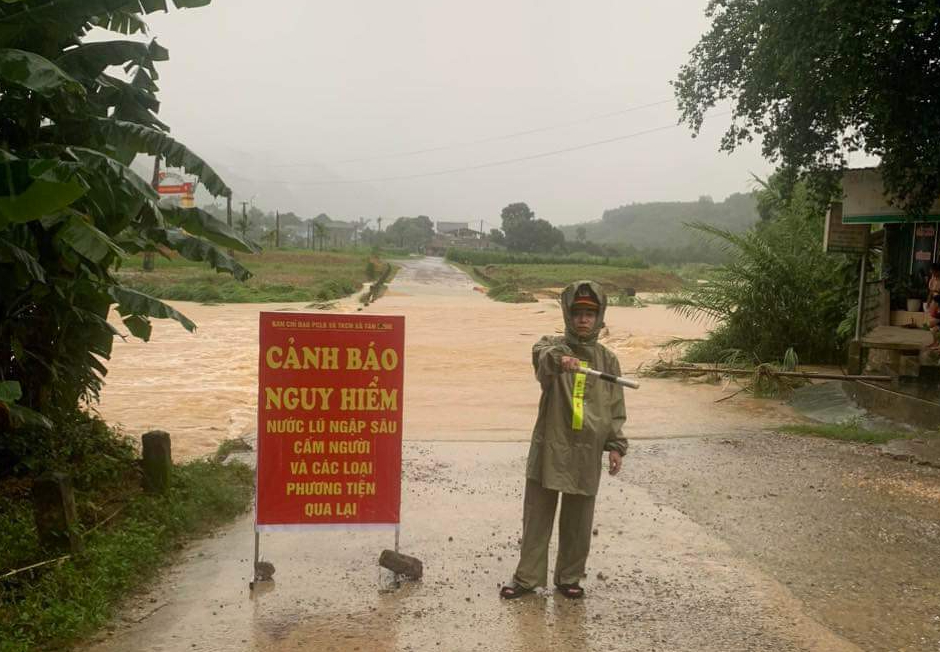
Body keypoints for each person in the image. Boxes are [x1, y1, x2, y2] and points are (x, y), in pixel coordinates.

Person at [500, 280, 629, 600]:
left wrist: (615, 446)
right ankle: (527, 578)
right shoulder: (551, 347)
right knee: (537, 514)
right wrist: (561, 360)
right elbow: (542, 356)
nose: (584, 319)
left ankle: (569, 576)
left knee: (579, 519)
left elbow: (615, 408)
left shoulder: (608, 361)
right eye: (578, 313)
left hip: (588, 449)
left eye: (590, 314)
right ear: (567, 316)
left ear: (599, 318)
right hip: (551, 445)